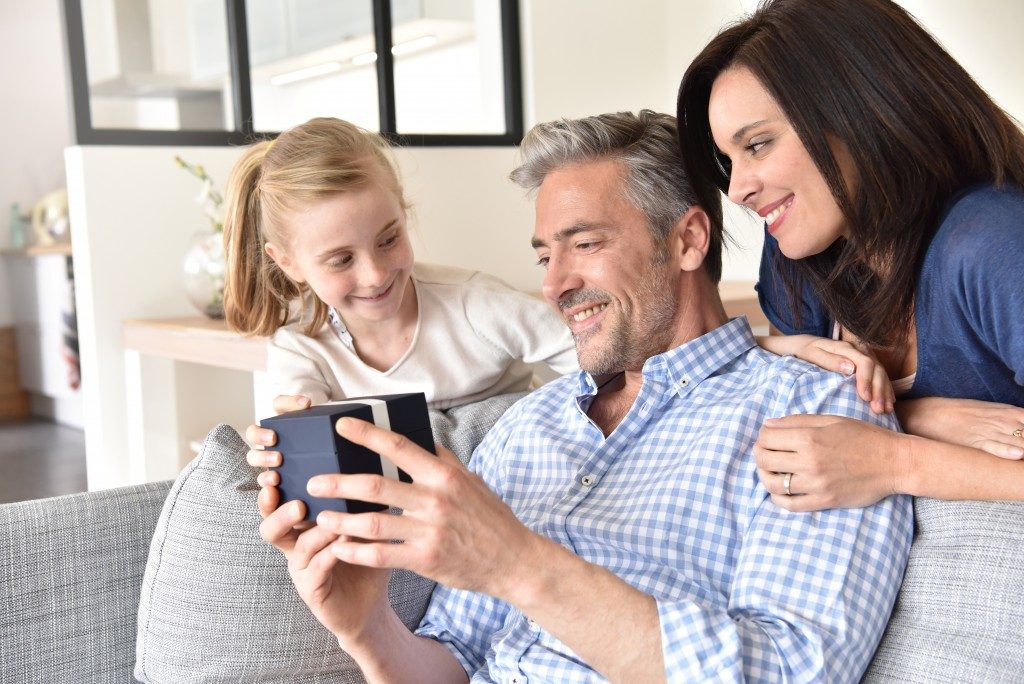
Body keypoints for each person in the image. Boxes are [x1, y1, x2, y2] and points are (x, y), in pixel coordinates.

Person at [254, 111, 912, 682]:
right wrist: (366, 629)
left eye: (586, 245)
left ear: (687, 239)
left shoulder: (816, 416)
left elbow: (787, 673)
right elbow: (452, 660)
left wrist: (518, 564)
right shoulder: (530, 426)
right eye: (545, 258)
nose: (554, 285)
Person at [676, 0, 1024, 511]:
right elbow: (787, 419)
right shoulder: (796, 261)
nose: (738, 189)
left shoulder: (991, 242)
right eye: (728, 160)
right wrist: (920, 417)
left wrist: (893, 460)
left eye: (757, 145)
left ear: (859, 109)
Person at [222, 117, 577, 461]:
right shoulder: (300, 350)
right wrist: (286, 449)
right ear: (288, 262)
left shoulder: (476, 303)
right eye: (341, 260)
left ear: (403, 214)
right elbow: (307, 462)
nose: (375, 275)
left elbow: (601, 360)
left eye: (389, 239)